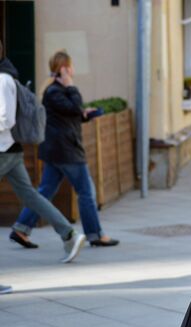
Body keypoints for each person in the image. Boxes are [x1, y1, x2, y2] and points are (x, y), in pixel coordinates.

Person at [13, 50, 119, 247]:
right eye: (70, 66)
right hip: (66, 151)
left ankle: (21, 229)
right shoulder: (55, 91)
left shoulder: (55, 91)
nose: (72, 70)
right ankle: (95, 234)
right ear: (63, 68)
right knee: (86, 192)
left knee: (44, 192)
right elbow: (73, 106)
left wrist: (85, 114)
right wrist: (71, 86)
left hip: (57, 150)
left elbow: (71, 113)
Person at [0, 41, 86, 262]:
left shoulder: (2, 79)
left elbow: (5, 119)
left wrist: (71, 87)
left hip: (4, 149)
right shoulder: (8, 77)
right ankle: (68, 234)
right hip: (13, 149)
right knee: (33, 196)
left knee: (40, 194)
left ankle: (71, 234)